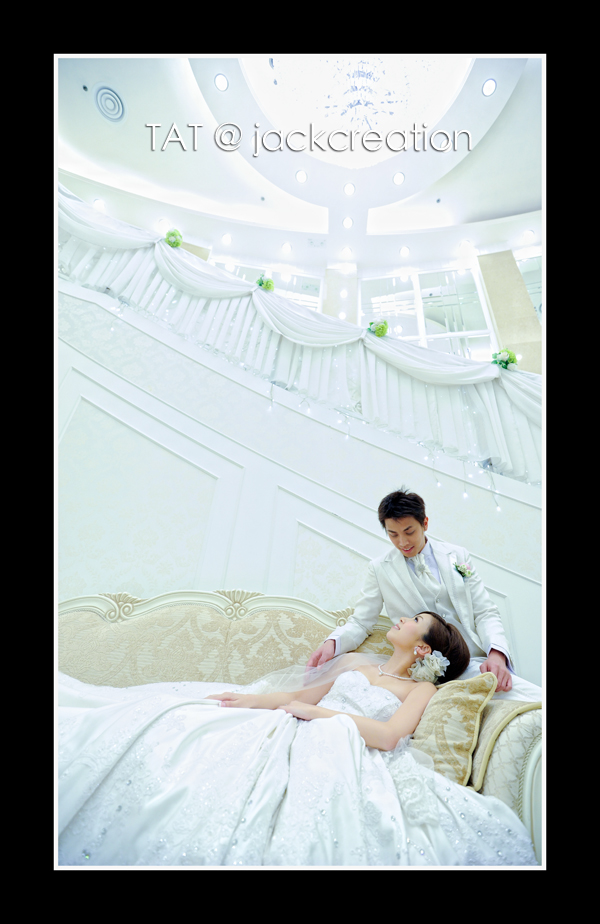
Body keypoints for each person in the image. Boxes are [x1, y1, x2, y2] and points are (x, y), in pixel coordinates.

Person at [57, 610, 537, 866]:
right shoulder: (358, 665)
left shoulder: (420, 690)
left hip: (345, 744)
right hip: (294, 719)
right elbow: (297, 695)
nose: (401, 619)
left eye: (413, 621)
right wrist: (248, 700)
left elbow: (391, 737)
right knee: (186, 724)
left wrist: (320, 715)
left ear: (422, 648)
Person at [307, 488, 541, 702]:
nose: (402, 542)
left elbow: (484, 612)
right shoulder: (379, 569)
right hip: (424, 673)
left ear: (425, 523)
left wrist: (497, 654)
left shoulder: (457, 556)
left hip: (474, 662)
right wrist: (332, 644)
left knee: (532, 698)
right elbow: (361, 622)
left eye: (409, 531)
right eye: (393, 534)